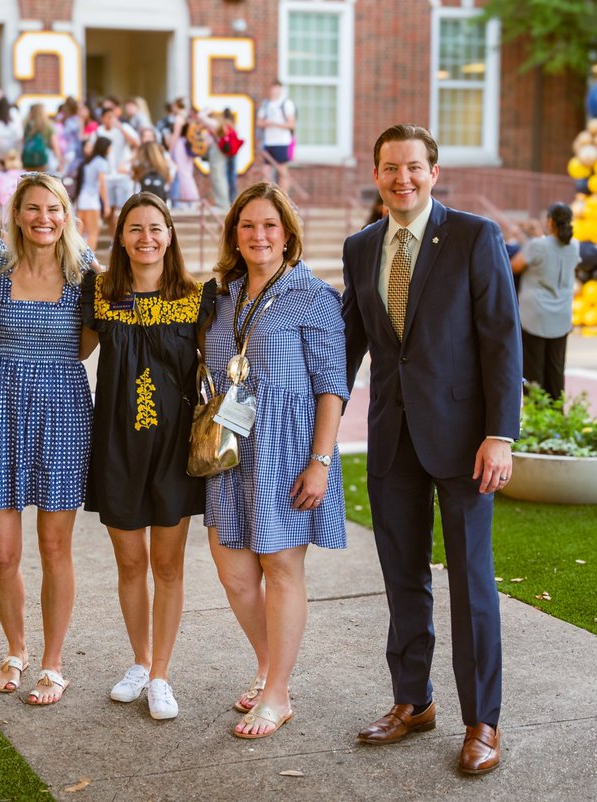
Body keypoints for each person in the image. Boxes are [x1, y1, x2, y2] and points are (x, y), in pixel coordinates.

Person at [340, 124, 521, 775]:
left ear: (433, 171)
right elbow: (346, 347)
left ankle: (483, 721)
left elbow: (502, 339)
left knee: (472, 583)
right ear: (378, 172)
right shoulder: (361, 247)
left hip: (466, 444)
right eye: (391, 167)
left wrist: (500, 433)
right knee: (403, 580)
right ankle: (412, 702)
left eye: (413, 167)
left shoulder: (475, 236)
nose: (402, 178)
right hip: (392, 442)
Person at [0, 172, 97, 707]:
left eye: (53, 210)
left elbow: (86, 347)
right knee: (3, 553)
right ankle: (16, 650)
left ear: (66, 215)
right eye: (32, 209)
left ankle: (53, 664)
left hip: (62, 414)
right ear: (16, 214)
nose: (43, 219)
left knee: (55, 548)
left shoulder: (85, 272)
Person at [204, 182, 349, 739]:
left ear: (287, 233)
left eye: (269, 225)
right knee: (234, 572)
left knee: (280, 568)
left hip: (287, 450)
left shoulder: (312, 294)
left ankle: (279, 694)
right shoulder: (223, 294)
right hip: (230, 447)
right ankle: (268, 668)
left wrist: (321, 461)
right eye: (247, 226)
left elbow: (332, 386)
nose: (258, 235)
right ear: (234, 236)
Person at [80, 192, 216, 720]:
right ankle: (139, 662)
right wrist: (2, 342)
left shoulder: (196, 298)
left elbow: (223, 358)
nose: (146, 238)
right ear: (120, 237)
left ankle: (161, 673)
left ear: (170, 234)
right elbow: (72, 351)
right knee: (130, 561)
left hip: (174, 451)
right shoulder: (101, 296)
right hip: (116, 445)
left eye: (156, 227)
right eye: (135, 228)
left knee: (167, 564)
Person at [511, 202, 578, 401]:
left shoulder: (537, 245)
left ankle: (538, 415)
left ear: (549, 221)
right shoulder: (575, 245)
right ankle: (557, 415)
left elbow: (514, 266)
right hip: (562, 315)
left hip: (535, 315)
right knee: (556, 368)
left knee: (533, 369)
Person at [256, 80, 296, 191]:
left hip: (282, 142)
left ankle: (284, 198)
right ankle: (266, 198)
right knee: (266, 172)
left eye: (277, 88)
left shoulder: (286, 104)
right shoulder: (266, 104)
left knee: (282, 172)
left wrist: (276, 124)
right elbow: (259, 122)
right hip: (268, 142)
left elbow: (292, 124)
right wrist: (267, 123)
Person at [75, 137, 111, 252]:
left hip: (82, 198)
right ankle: (89, 263)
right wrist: (106, 204)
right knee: (93, 232)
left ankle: (76, 260)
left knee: (80, 232)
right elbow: (102, 185)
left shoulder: (89, 161)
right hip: (91, 200)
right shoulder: (101, 162)